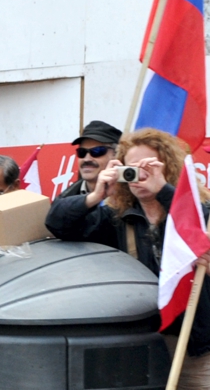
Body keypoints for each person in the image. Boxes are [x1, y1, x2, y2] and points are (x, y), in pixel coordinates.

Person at [45, 128, 210, 387]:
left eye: (149, 167)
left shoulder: (202, 215)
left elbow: (194, 219)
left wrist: (163, 190)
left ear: (170, 168)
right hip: (142, 343)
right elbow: (57, 223)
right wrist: (95, 196)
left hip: (195, 343)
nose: (140, 175)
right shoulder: (117, 218)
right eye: (131, 168)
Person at [58, 120, 122, 198]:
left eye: (97, 151)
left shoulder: (135, 197)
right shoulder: (64, 200)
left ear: (116, 155)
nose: (87, 159)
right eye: (82, 152)